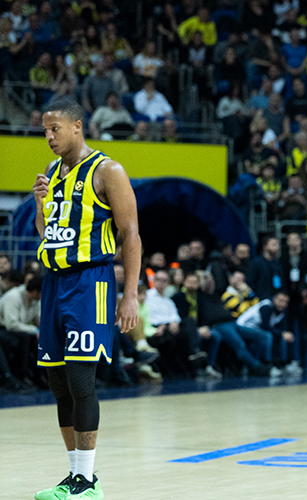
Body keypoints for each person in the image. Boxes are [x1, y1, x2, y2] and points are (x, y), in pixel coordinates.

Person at [32, 98, 141, 500]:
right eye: (45, 131)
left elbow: (131, 234)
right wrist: (40, 205)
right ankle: (75, 474)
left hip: (90, 282)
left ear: (78, 126)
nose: (49, 137)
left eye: (55, 129)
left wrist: (129, 294)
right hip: (54, 282)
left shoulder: (108, 170)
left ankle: (88, 480)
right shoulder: (52, 172)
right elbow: (48, 232)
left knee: (80, 380)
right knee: (58, 383)